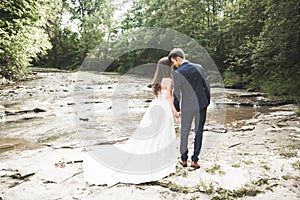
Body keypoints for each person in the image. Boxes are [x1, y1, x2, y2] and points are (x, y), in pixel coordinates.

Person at [83, 57, 178, 186]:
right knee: (163, 134)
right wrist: (175, 111)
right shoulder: (168, 79)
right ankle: (162, 160)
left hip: (155, 107)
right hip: (164, 108)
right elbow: (169, 97)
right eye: (170, 65)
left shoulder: (157, 80)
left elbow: (158, 95)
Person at [168, 48, 210, 169]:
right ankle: (195, 160)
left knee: (185, 132)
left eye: (174, 62)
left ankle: (184, 159)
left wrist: (177, 108)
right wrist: (207, 101)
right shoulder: (199, 67)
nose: (174, 65)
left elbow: (177, 93)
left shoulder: (178, 73)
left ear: (179, 58)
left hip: (187, 106)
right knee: (199, 131)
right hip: (201, 104)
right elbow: (206, 86)